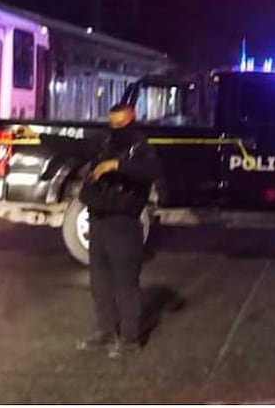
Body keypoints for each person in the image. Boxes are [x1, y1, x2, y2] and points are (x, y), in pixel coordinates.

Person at [76, 103, 162, 359]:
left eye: (120, 125)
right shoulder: (106, 143)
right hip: (99, 220)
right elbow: (74, 147)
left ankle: (129, 338)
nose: (115, 129)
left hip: (124, 224)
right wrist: (37, 137)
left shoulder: (142, 147)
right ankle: (105, 331)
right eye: (111, 124)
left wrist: (117, 166)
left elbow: (151, 171)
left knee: (126, 284)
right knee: (99, 283)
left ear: (131, 120)